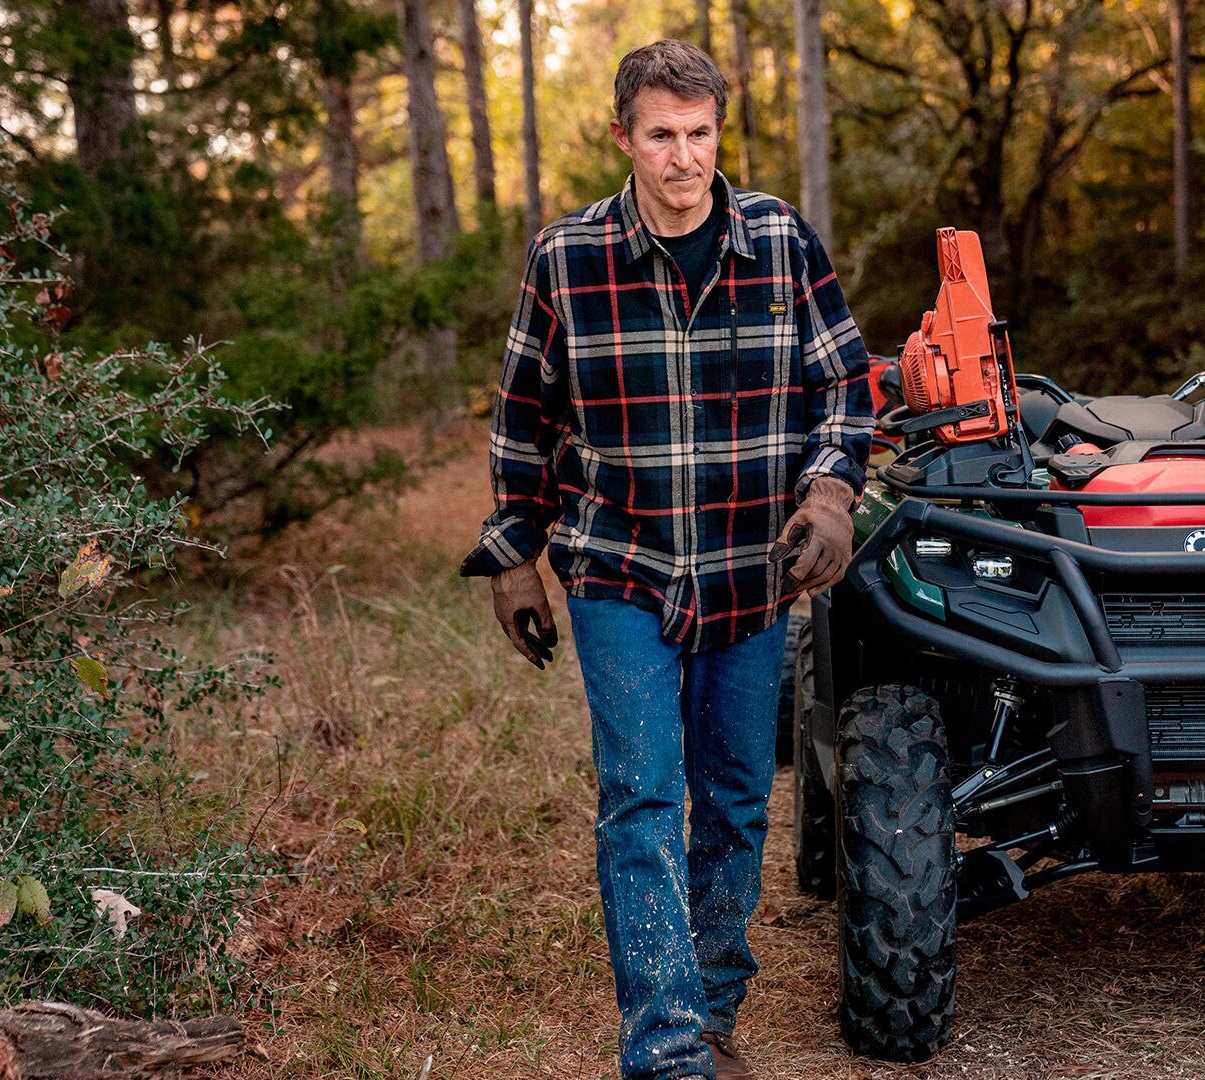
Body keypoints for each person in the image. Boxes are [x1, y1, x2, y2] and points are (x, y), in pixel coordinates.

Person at [460, 39, 873, 1080]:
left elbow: (845, 384)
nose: (683, 158)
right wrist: (516, 554)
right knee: (642, 797)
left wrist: (829, 493)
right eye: (661, 136)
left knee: (736, 796)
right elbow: (522, 414)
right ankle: (668, 1048)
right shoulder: (568, 257)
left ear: (718, 133)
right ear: (624, 138)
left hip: (750, 567)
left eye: (699, 134)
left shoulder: (781, 241)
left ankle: (715, 1004)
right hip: (620, 567)